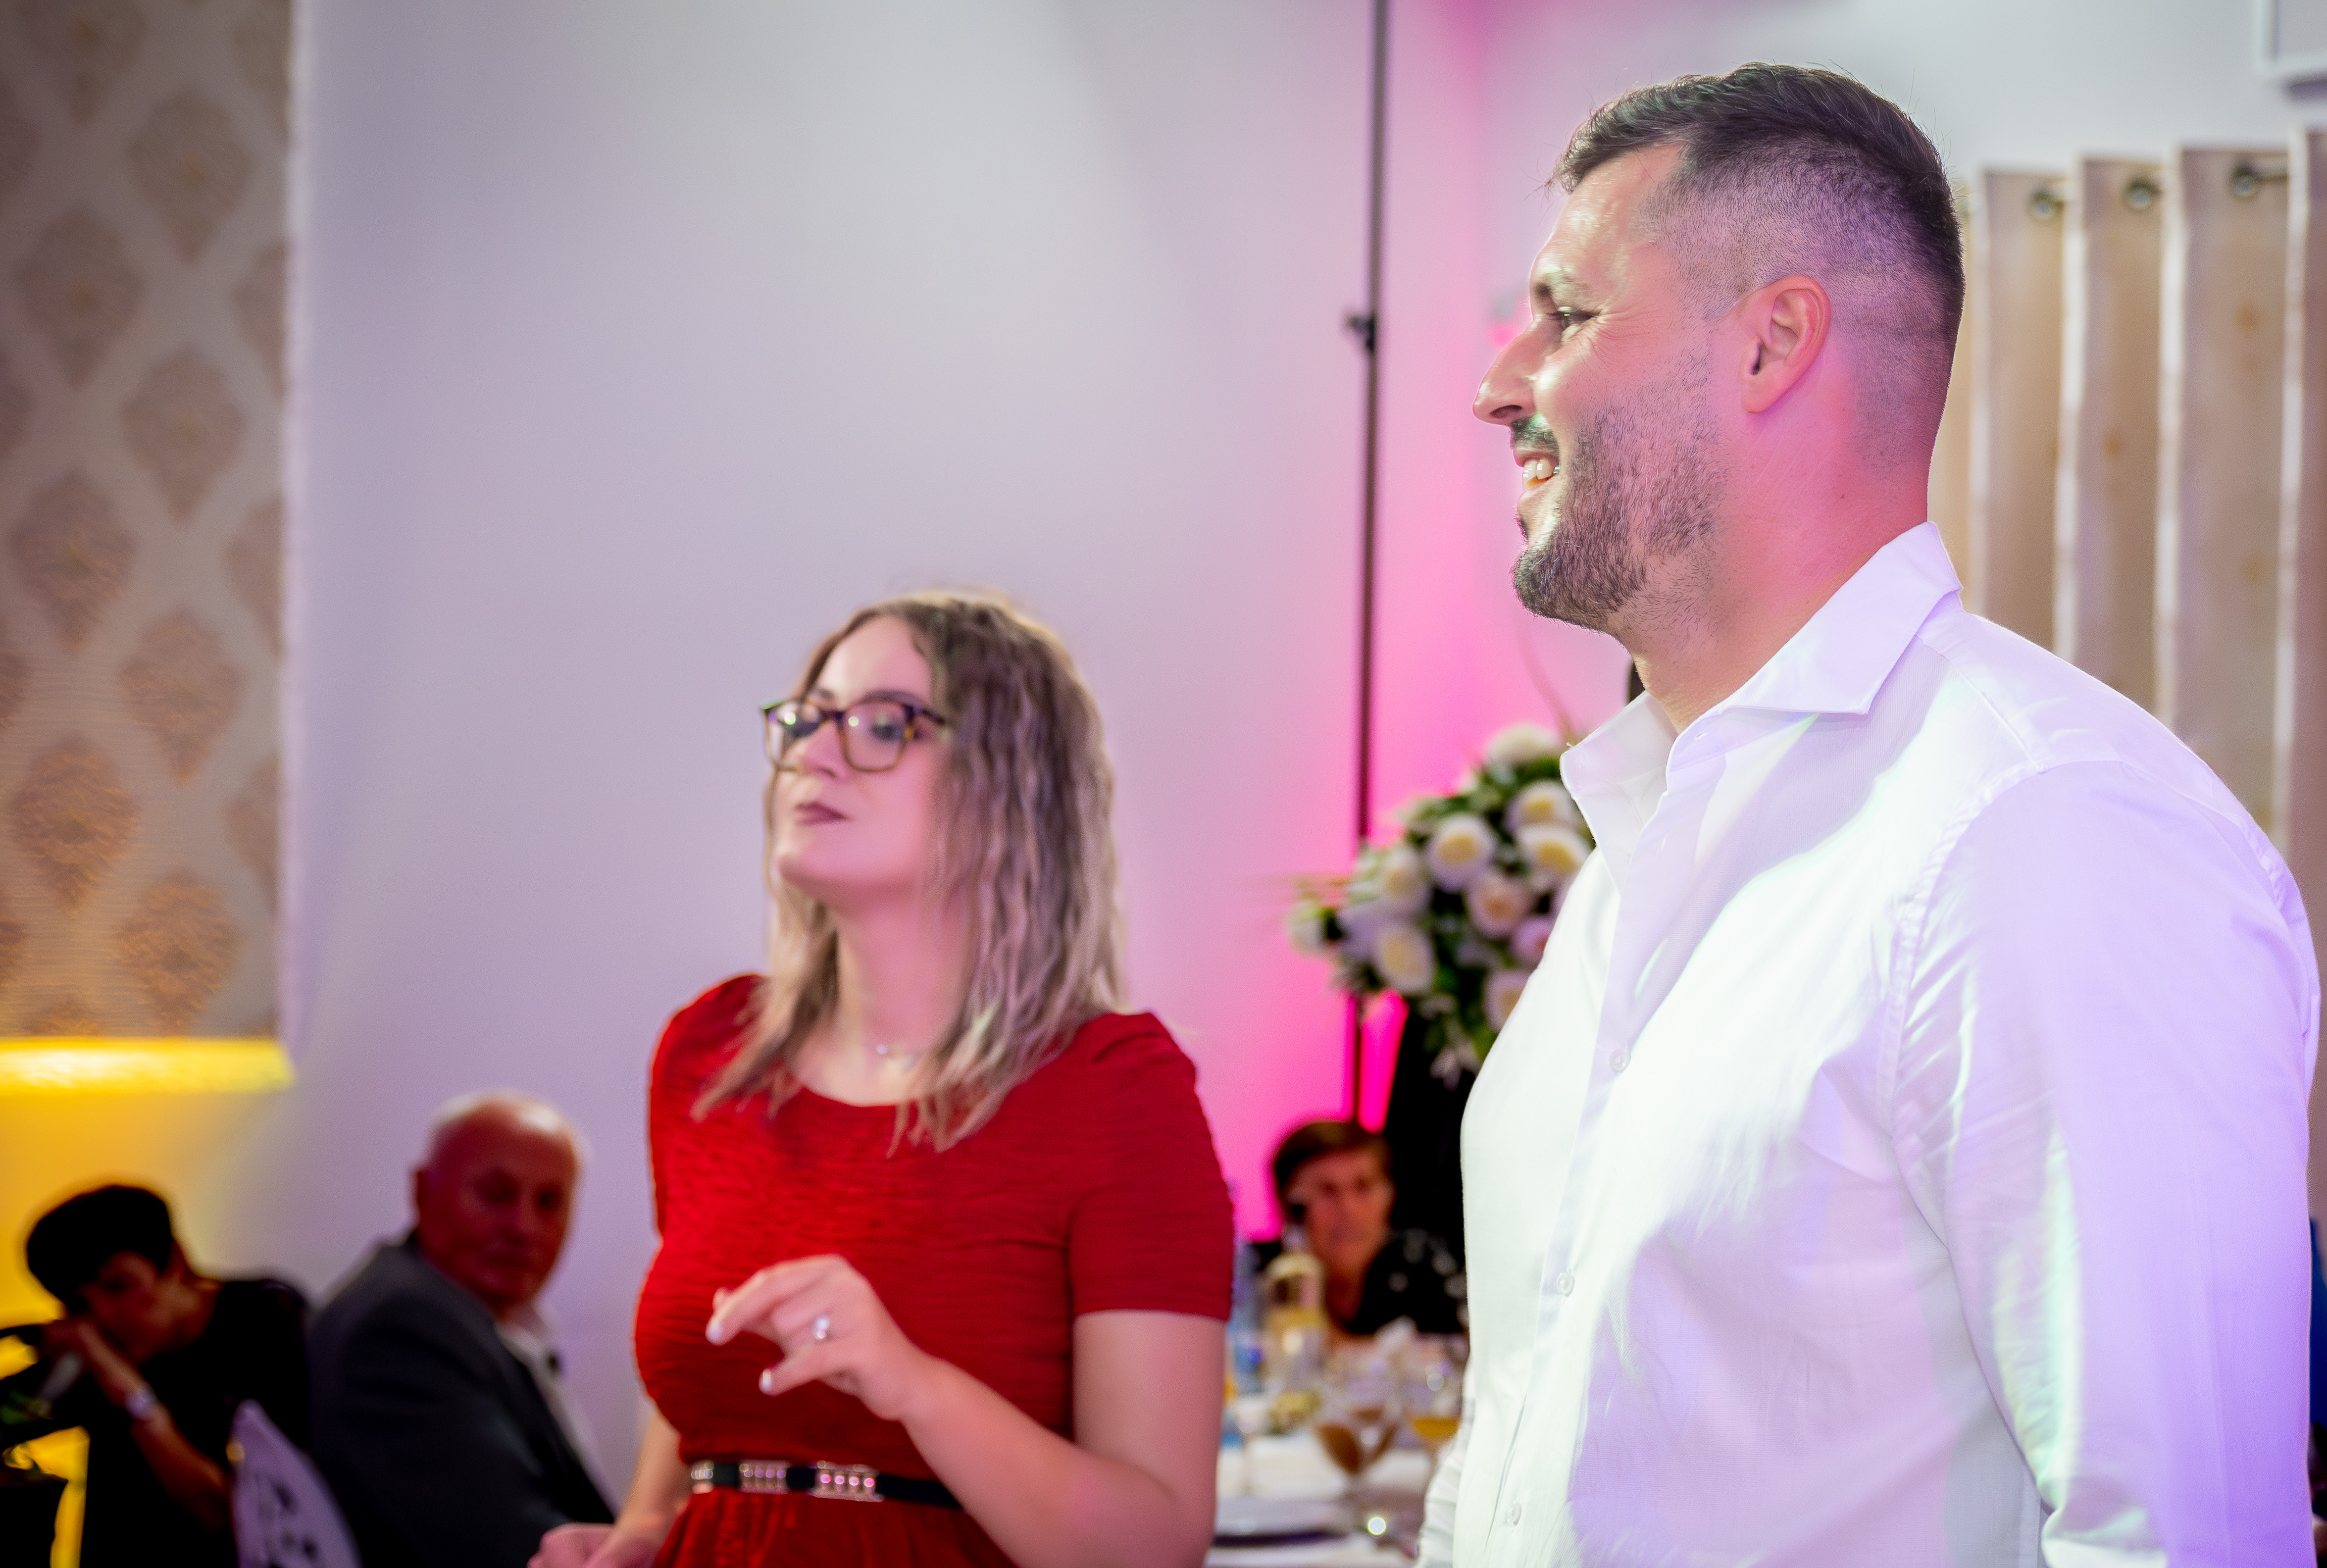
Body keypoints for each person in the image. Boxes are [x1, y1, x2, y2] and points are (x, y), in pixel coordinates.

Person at [1422, 64, 2317, 1565]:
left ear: (1772, 342)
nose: (1497, 383)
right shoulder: (1635, 850)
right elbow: (1516, 1431)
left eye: (1566, 314)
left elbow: (2174, 1536)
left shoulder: (2044, 835)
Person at [536, 592, 1232, 1568]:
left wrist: (911, 1382)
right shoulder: (712, 1054)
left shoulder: (1113, 1092)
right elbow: (707, 1394)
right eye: (809, 720)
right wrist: (645, 1534)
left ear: (1011, 787)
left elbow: (1155, 1545)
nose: (815, 755)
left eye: (881, 724)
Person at [312, 1090, 614, 1566]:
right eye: (496, 1195)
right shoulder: (401, 1332)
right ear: (422, 1191)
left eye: (549, 1202)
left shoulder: (454, 1313)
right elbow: (516, 1550)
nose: (523, 1227)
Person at [0, 1184, 310, 1566]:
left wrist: (132, 1397)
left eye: (118, 1285)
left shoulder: (264, 1325)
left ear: (175, 1261)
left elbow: (239, 1520)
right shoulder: (101, 1349)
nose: (104, 1315)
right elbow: (13, 1414)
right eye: (80, 1303)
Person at [1256, 1121, 1464, 1337]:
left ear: (1390, 1196)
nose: (1349, 1209)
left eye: (1363, 1187)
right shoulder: (1258, 1278)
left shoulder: (1424, 1267)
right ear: (1290, 1205)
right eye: (1328, 1191)